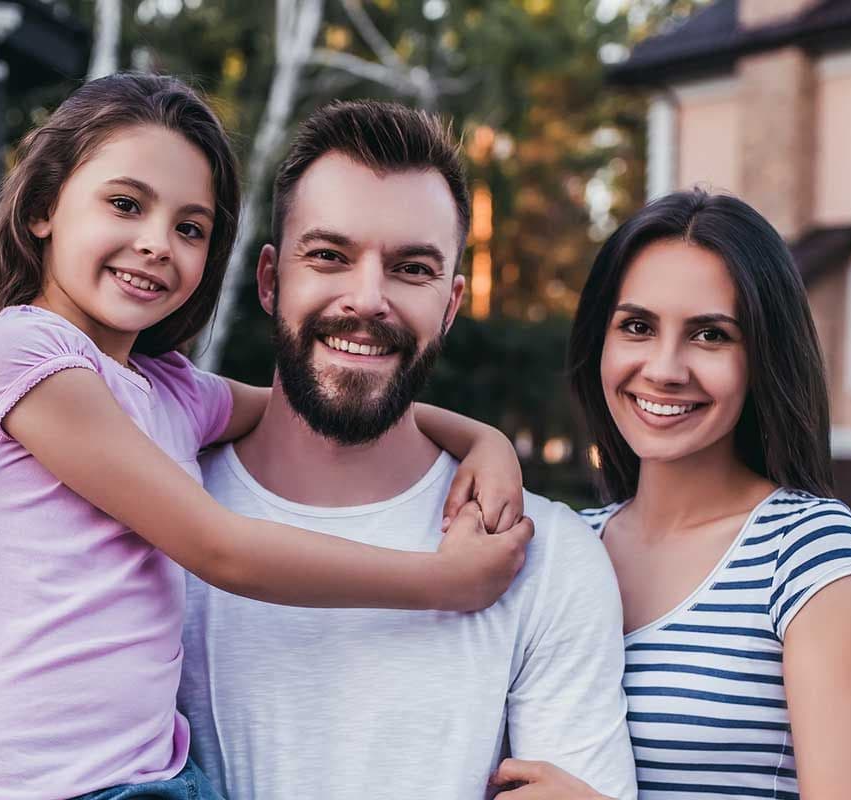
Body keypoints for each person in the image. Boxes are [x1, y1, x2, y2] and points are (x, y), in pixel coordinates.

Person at [0, 74, 535, 800]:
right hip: (31, 789)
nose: (156, 244)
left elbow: (302, 402)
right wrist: (445, 583)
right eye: (125, 204)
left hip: (151, 775)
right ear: (44, 207)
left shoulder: (171, 391)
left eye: (190, 228)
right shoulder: (22, 355)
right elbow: (220, 548)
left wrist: (484, 442)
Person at [175, 100, 638, 800]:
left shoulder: (543, 558)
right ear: (270, 280)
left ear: (450, 305)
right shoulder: (158, 519)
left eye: (412, 268)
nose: (367, 300)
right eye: (329, 257)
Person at [490, 189, 851, 799]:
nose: (664, 369)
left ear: (763, 356)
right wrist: (478, 441)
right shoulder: (563, 547)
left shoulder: (805, 551)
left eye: (709, 334)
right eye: (637, 327)